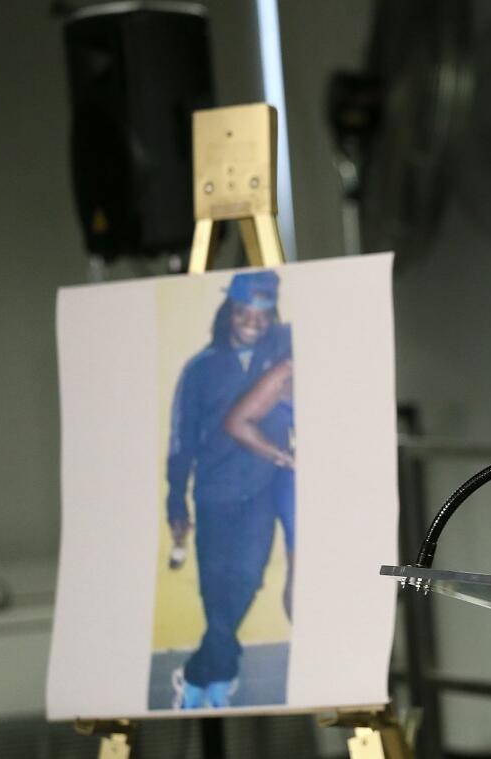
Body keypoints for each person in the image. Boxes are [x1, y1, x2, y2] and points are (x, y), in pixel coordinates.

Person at [166, 270, 292, 709]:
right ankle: (213, 674)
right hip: (213, 493)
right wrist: (174, 499)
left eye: (262, 314)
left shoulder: (282, 353)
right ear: (229, 313)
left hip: (260, 489)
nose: (253, 322)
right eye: (244, 313)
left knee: (248, 578)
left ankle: (203, 672)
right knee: (215, 587)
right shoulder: (200, 368)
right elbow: (180, 440)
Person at [224, 359, 296, 619]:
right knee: (303, 568)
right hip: (301, 485)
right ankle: (312, 648)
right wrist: (281, 455)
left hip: (347, 480)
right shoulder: (289, 369)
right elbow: (237, 422)